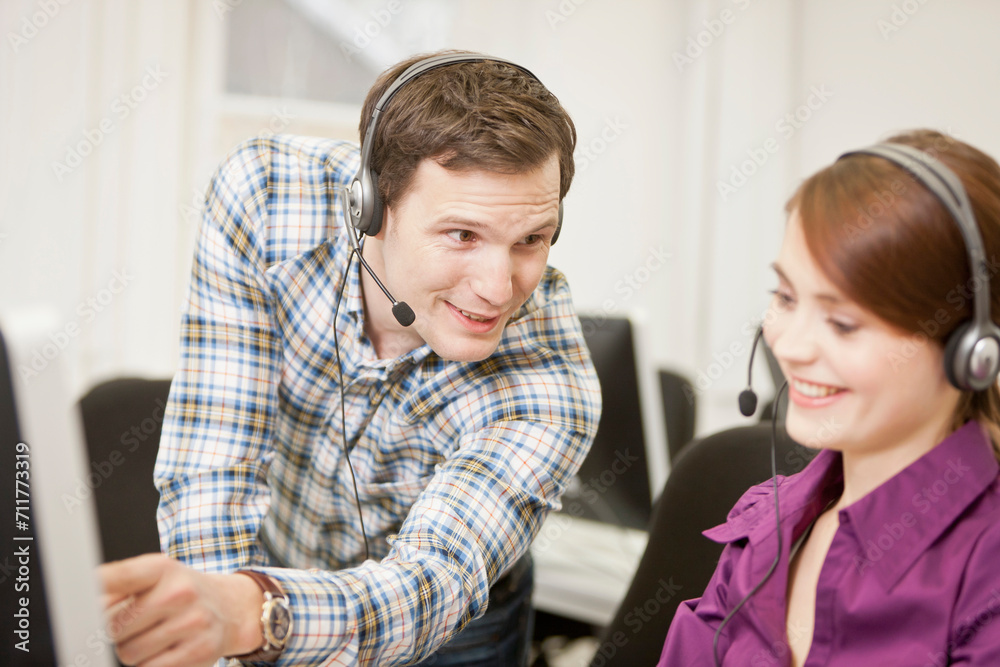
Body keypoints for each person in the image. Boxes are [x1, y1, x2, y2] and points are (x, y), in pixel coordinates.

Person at [99, 50, 601, 666]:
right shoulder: (267, 198)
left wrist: (255, 613)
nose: (498, 289)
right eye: (462, 235)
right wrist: (223, 620)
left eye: (530, 239)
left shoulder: (549, 385)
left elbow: (434, 577)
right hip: (268, 571)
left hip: (449, 629)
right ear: (372, 208)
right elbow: (214, 459)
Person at [658, 129, 1000, 666]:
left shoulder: (985, 576)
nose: (790, 348)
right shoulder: (768, 523)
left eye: (843, 323)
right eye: (786, 297)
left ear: (969, 350)